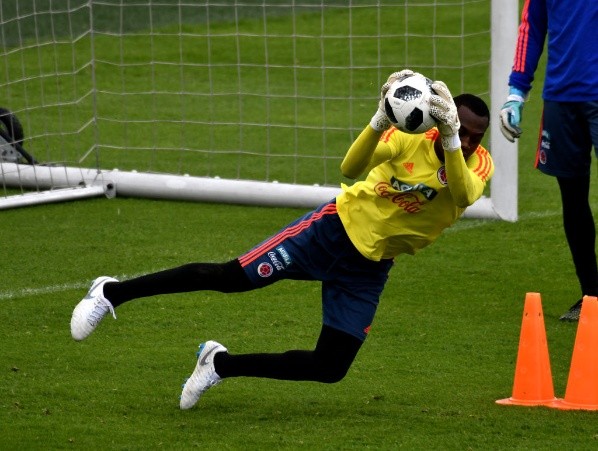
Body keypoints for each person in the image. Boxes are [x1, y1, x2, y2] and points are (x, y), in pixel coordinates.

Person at [71, 69, 494, 410]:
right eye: (463, 131)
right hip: (329, 232)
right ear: (441, 119)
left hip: (369, 268)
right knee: (230, 278)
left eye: (477, 136)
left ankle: (218, 364)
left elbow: (461, 195)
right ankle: (111, 292)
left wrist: (453, 141)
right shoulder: (408, 135)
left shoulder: (478, 164)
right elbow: (350, 168)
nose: (470, 141)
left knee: (330, 367)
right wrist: (377, 123)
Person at [499, 1, 598, 321]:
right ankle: (591, 295)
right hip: (561, 98)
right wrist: (516, 92)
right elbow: (532, 25)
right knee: (572, 197)